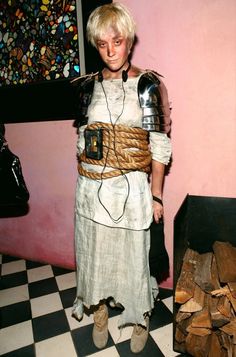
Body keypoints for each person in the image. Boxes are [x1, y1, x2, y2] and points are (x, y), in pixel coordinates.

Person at [72, 2, 172, 353]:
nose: (111, 50)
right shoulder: (86, 88)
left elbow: (159, 145)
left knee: (134, 256)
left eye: (117, 40)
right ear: (96, 45)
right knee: (94, 252)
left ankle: (140, 315)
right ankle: (99, 310)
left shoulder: (148, 84)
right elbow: (82, 140)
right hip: (92, 187)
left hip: (131, 189)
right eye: (102, 44)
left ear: (129, 40)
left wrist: (157, 196)